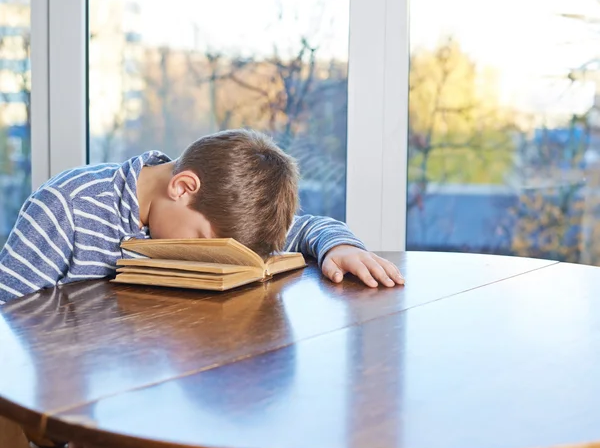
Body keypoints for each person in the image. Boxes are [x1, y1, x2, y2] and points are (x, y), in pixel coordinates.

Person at [0, 129, 404, 305]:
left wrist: (340, 245)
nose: (204, 258)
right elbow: (10, 328)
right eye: (203, 247)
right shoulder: (66, 207)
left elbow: (310, 226)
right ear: (183, 188)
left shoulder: (220, 209)